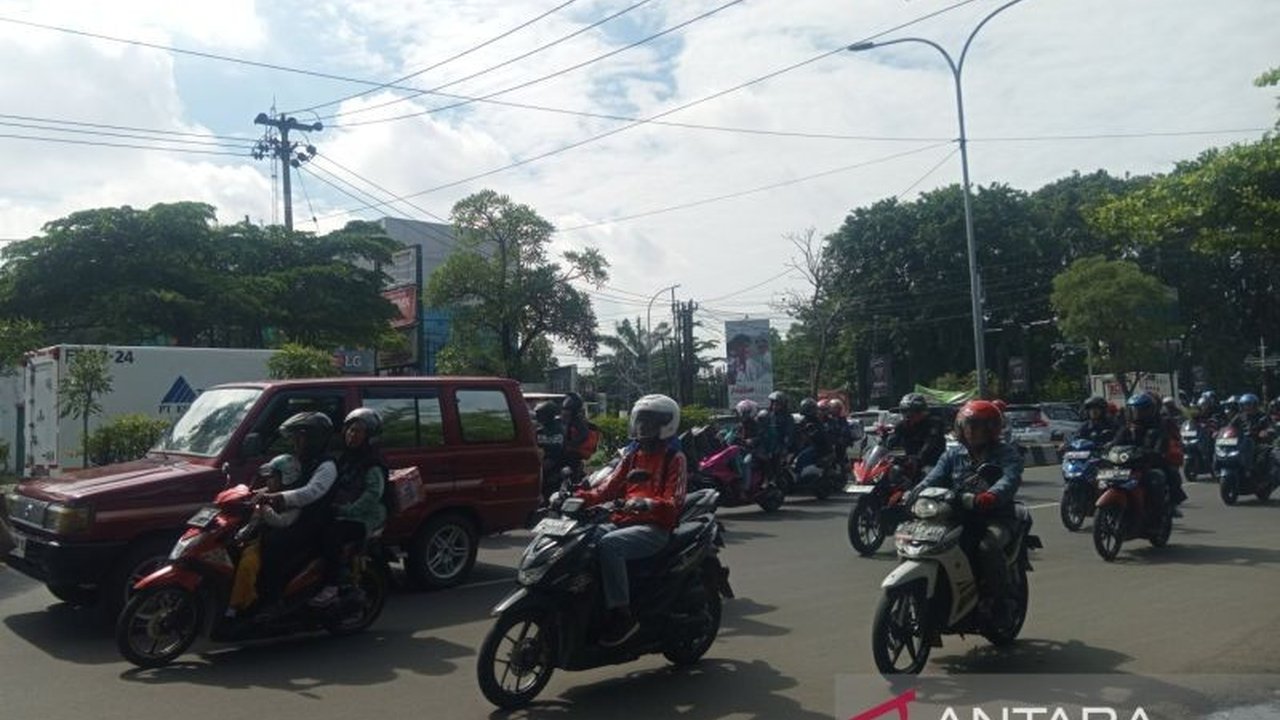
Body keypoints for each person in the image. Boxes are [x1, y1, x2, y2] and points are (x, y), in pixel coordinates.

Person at [576, 394, 687, 647]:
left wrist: (648, 503)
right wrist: (579, 498)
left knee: (609, 545)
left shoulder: (674, 458)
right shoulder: (633, 456)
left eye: (649, 422)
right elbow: (607, 488)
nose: (642, 427)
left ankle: (622, 615)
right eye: (640, 421)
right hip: (624, 520)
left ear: (665, 424)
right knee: (584, 538)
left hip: (655, 527)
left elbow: (675, 502)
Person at [918, 400, 1023, 625]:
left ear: (992, 429)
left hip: (995, 516)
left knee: (987, 547)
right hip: (955, 514)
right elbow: (932, 478)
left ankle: (1000, 602)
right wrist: (911, 494)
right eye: (967, 425)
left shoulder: (1005, 453)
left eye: (977, 425)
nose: (971, 430)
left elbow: (1009, 478)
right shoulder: (952, 455)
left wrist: (990, 496)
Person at [256, 412, 340, 616]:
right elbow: (283, 481)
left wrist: (279, 498)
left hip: (314, 520)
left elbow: (311, 492)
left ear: (314, 438)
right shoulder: (302, 460)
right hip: (296, 514)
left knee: (272, 544)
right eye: (294, 438)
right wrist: (254, 494)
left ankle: (274, 600)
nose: (295, 442)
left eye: (299, 437)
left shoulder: (326, 465)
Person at [310, 408, 388, 607]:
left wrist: (346, 510)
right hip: (342, 512)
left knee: (331, 535)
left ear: (369, 437)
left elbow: (372, 496)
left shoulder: (373, 464)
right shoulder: (344, 458)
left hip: (364, 518)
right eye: (350, 430)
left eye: (358, 431)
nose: (352, 435)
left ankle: (332, 586)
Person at [1109, 392, 1185, 515]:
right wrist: (1108, 449)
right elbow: (1115, 443)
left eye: (1140, 411)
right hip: (1127, 463)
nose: (1137, 414)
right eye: (1134, 411)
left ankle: (1167, 505)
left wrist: (1155, 453)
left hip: (1148, 464)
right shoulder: (1127, 428)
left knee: (1164, 475)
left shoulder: (1158, 427)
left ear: (1150, 411)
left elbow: (1162, 445)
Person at [886, 393, 946, 475]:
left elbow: (930, 444)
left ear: (921, 411)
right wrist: (884, 439)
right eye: (904, 411)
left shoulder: (933, 423)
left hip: (931, 462)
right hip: (910, 463)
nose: (908, 415)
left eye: (912, 411)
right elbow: (891, 442)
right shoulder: (901, 425)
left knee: (928, 473)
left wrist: (918, 458)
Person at [1226, 393, 1275, 480]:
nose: (1247, 408)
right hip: (1240, 442)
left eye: (1249, 405)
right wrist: (1222, 433)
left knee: (1263, 456)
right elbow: (1230, 427)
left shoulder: (1263, 416)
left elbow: (1271, 427)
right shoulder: (1239, 417)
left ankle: (1253, 472)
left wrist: (1266, 432)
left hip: (1258, 442)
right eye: (1244, 405)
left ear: (1255, 405)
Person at [724, 399, 763, 497]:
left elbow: (760, 437)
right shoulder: (740, 425)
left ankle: (744, 489)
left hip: (752, 451)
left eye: (744, 412)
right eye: (741, 412)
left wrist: (751, 441)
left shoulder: (755, 424)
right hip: (740, 449)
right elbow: (731, 435)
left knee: (746, 463)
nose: (742, 414)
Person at [534, 401, 567, 496]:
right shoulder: (539, 431)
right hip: (542, 467)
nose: (538, 417)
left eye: (540, 414)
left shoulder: (559, 429)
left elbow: (559, 450)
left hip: (557, 467)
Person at [794, 398, 833, 473]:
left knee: (800, 459)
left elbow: (811, 436)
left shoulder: (813, 422)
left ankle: (798, 477)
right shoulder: (807, 420)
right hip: (818, 447)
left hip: (818, 448)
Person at [561, 392, 592, 479]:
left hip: (573, 453)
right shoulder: (569, 419)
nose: (564, 411)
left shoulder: (578, 420)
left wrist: (571, 444)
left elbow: (584, 434)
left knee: (571, 475)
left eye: (567, 409)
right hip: (568, 452)